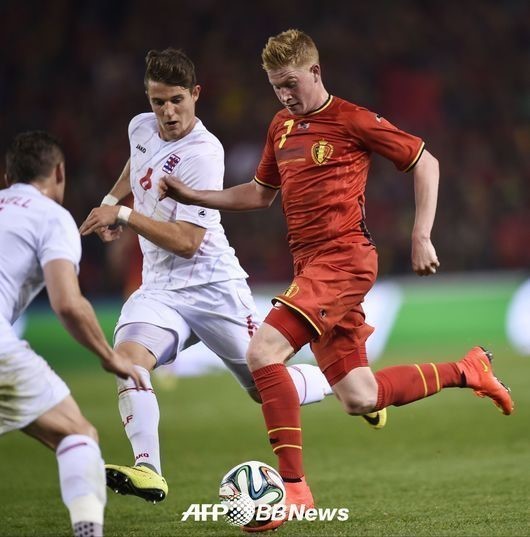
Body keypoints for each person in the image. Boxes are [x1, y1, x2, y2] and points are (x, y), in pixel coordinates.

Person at [159, 29, 514, 531]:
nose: (284, 94)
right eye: (275, 86)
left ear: (315, 72)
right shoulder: (281, 126)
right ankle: (468, 370)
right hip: (310, 267)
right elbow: (259, 195)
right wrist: (195, 196)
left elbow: (425, 162)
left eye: (290, 83)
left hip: (343, 261)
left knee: (263, 352)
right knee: (359, 396)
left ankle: (294, 489)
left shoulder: (351, 119)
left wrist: (421, 235)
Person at [79, 48, 386, 505]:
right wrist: (111, 199)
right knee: (126, 360)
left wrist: (122, 215)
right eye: (158, 102)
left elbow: (187, 242)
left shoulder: (203, 152)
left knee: (265, 388)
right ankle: (148, 469)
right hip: (160, 290)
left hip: (213, 289)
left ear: (195, 94)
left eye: (176, 100)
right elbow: (137, 163)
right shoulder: (140, 127)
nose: (167, 112)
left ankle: (348, 386)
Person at [0, 131, 144, 537]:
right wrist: (109, 355)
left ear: (8, 177)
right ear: (59, 173)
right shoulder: (51, 216)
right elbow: (67, 302)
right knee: (77, 434)